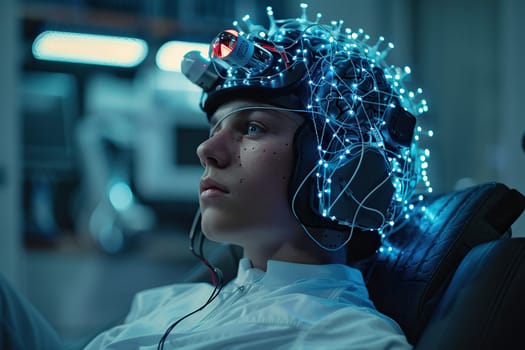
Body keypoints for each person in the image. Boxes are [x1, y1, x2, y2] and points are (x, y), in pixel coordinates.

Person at [1, 3, 430, 349]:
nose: (207, 150)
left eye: (253, 128)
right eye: (215, 129)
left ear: (345, 171)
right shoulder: (175, 301)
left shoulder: (346, 339)